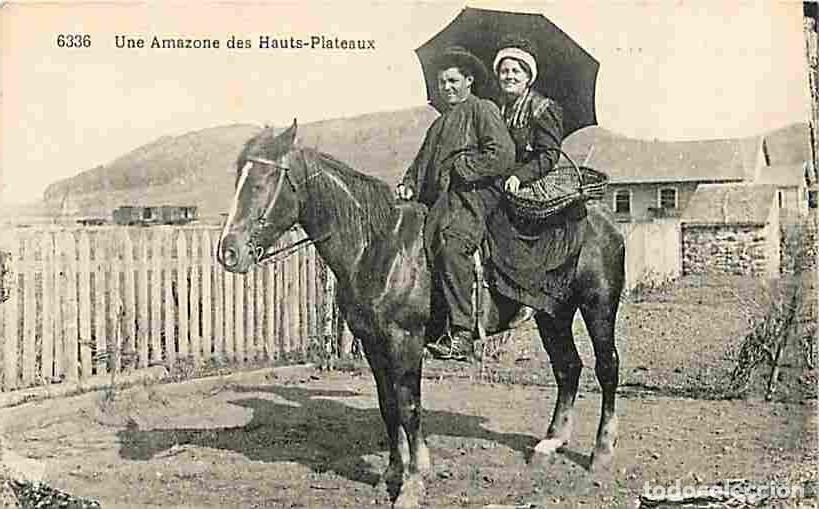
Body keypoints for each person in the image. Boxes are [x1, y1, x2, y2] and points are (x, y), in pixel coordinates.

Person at [396, 46, 515, 362]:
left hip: (475, 197)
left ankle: (462, 333)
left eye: (452, 81)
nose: (446, 87)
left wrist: (464, 167)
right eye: (442, 83)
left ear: (469, 81)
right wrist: (409, 185)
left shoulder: (483, 110)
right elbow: (420, 166)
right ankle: (431, 324)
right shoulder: (438, 125)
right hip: (442, 202)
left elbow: (502, 155)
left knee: (451, 245)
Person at [486, 38, 587, 319]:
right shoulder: (497, 109)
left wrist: (520, 176)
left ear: (528, 77)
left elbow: (549, 154)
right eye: (504, 71)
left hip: (535, 178)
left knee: (505, 224)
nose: (509, 76)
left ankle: (525, 295)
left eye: (516, 71)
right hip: (503, 178)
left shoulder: (544, 108)